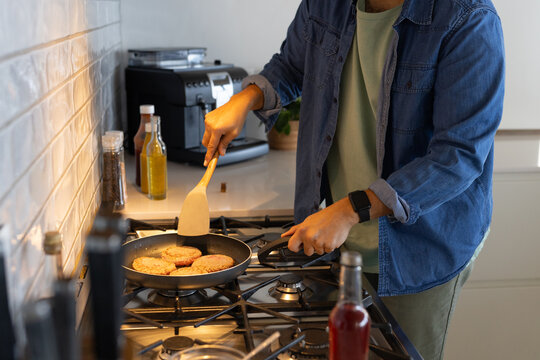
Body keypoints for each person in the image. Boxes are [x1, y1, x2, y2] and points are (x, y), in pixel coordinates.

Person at [201, 0, 505, 359]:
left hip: (419, 250)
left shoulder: (468, 18)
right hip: (337, 242)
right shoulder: (324, 4)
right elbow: (292, 66)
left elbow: (457, 156)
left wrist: (349, 209)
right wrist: (244, 99)